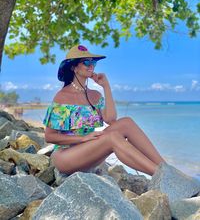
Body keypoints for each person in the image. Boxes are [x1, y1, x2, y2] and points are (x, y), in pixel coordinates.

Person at [43, 44, 166, 176]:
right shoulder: (62, 97)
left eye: (93, 62)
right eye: (86, 62)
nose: (92, 66)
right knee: (112, 137)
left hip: (90, 152)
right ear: (74, 67)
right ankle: (162, 177)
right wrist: (83, 138)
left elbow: (111, 120)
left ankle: (167, 170)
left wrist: (106, 86)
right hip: (66, 157)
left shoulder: (95, 95)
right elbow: (49, 136)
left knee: (126, 122)